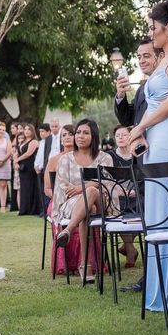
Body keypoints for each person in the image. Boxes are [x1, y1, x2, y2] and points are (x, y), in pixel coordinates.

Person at [128, 0, 168, 312]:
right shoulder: (163, 59)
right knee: (156, 213)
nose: (151, 33)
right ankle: (160, 288)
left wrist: (139, 128)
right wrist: (138, 131)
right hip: (155, 140)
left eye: (153, 28)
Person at [54, 119, 113, 283]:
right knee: (89, 209)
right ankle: (85, 265)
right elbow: (64, 186)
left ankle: (67, 230)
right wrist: (90, 186)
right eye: (78, 132)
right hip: (73, 203)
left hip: (102, 201)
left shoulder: (105, 158)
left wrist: (83, 187)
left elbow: (108, 183)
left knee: (92, 191)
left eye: (86, 133)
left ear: (94, 136)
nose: (80, 136)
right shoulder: (65, 159)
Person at [45, 123, 83, 275]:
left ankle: (85, 262)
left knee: (85, 209)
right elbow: (47, 189)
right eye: (64, 135)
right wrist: (60, 197)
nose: (67, 137)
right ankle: (64, 264)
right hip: (58, 200)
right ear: (60, 140)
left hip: (80, 198)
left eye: (70, 134)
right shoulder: (54, 160)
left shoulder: (84, 157)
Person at [107, 125, 138, 268]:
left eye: (124, 135)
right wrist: (120, 189)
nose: (120, 138)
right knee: (117, 206)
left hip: (137, 194)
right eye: (117, 135)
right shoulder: (109, 156)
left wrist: (135, 190)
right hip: (118, 194)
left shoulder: (138, 154)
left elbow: (142, 176)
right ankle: (130, 249)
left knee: (144, 205)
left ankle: (127, 245)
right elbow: (107, 178)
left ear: (131, 136)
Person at [114, 38, 160, 127]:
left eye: (146, 56)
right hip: (143, 140)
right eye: (139, 57)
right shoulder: (141, 89)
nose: (141, 61)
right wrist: (120, 96)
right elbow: (127, 120)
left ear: (160, 56)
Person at [16, 123, 39, 216]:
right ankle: (24, 208)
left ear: (32, 131)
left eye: (28, 129)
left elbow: (28, 153)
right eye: (25, 129)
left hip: (30, 166)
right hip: (22, 167)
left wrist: (17, 159)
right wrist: (16, 162)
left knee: (30, 187)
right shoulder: (23, 141)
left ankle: (31, 209)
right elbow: (17, 151)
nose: (26, 131)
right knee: (24, 188)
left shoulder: (34, 141)